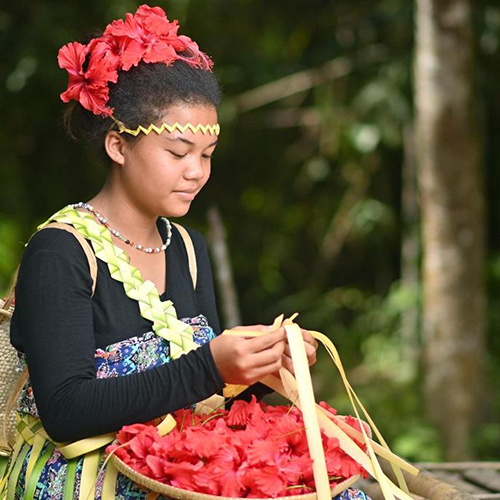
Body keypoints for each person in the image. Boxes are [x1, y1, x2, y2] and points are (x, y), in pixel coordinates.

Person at [7, 5, 368, 500]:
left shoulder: (188, 250)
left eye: (206, 156)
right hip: (88, 479)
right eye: (178, 153)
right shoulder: (61, 252)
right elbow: (66, 411)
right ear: (118, 146)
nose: (196, 172)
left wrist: (264, 368)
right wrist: (213, 365)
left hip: (176, 468)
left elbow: (203, 396)